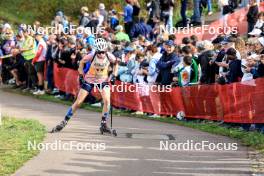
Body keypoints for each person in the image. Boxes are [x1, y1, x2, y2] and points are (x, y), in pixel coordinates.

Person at [51, 38, 119, 133]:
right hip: (89, 80)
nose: (102, 54)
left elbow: (116, 64)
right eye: (100, 52)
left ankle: (103, 124)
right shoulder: (91, 55)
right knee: (79, 102)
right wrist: (81, 74)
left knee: (107, 101)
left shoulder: (109, 55)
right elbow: (81, 63)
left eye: (103, 52)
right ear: (96, 50)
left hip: (102, 81)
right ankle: (64, 121)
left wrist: (114, 75)